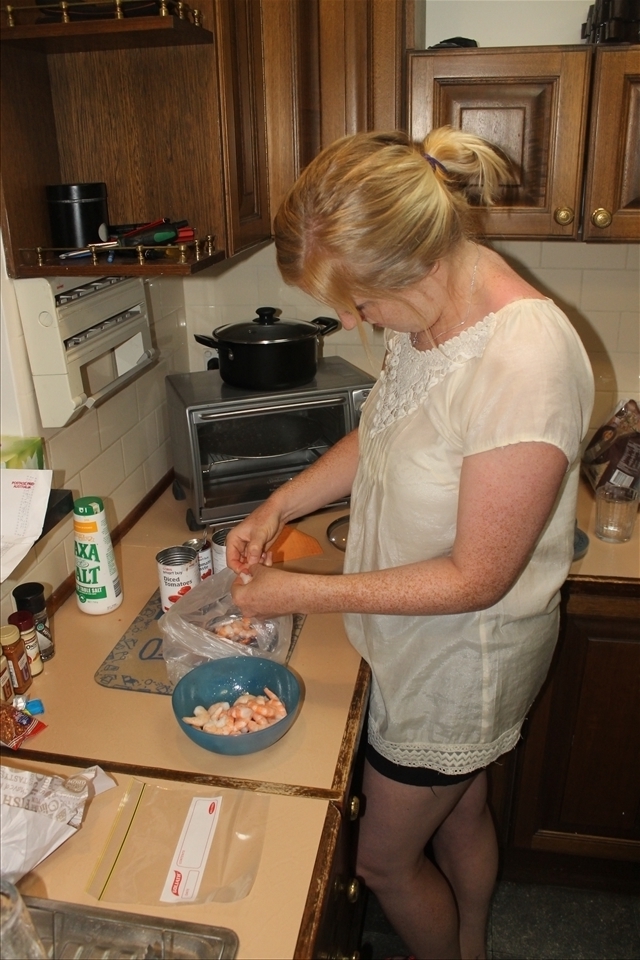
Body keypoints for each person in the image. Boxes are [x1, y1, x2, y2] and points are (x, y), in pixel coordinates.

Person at [226, 128, 595, 960]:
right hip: (405, 636)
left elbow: (476, 578)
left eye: (361, 304)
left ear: (416, 260)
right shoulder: (424, 313)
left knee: (387, 864)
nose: (356, 321)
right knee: (461, 807)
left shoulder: (523, 358)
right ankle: (470, 943)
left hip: (463, 658)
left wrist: (299, 593)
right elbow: (381, 434)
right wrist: (279, 504)